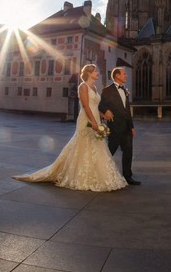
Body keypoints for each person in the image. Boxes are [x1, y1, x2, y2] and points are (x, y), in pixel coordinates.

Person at [12, 64, 127, 192]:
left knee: (96, 145)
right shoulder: (82, 86)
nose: (97, 73)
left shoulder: (94, 87)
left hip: (95, 118)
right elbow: (85, 105)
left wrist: (102, 115)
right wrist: (94, 122)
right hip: (86, 120)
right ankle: (77, 174)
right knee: (82, 144)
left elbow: (95, 105)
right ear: (89, 73)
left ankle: (95, 173)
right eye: (95, 71)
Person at [99, 67, 140, 185]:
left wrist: (132, 127)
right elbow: (101, 105)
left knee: (128, 152)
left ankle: (128, 176)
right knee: (110, 151)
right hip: (115, 127)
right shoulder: (107, 90)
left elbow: (127, 111)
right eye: (124, 74)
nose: (126, 76)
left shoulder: (125, 91)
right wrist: (106, 110)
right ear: (117, 76)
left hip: (127, 128)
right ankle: (100, 172)